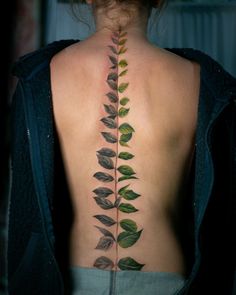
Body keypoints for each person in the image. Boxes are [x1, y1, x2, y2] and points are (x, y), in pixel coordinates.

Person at [7, 0, 236, 294]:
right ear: (159, 0)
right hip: (166, 283)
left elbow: (25, 212)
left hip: (71, 282)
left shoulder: (42, 76)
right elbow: (222, 221)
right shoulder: (201, 81)